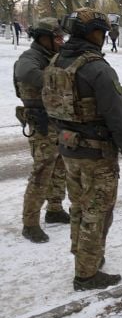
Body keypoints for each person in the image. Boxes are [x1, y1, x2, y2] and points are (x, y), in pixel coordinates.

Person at [42, 7, 122, 291]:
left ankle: (85, 256)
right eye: (103, 31)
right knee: (96, 213)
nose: (105, 36)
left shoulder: (57, 61)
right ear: (93, 33)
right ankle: (86, 274)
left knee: (79, 207)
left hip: (69, 149)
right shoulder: (96, 68)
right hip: (96, 155)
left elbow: (49, 105)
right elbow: (119, 119)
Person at [13, 18, 70, 243]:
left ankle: (55, 209)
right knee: (41, 173)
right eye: (56, 37)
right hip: (42, 125)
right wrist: (60, 80)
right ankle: (30, 223)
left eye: (61, 37)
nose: (61, 41)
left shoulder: (53, 56)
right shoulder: (30, 58)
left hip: (59, 123)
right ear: (43, 38)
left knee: (59, 169)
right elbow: (28, 75)